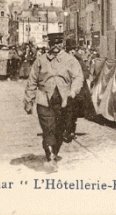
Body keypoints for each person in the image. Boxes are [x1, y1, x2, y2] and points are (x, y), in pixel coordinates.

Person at [23, 36, 84, 172]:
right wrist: (29, 101)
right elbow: (32, 81)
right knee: (48, 130)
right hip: (44, 101)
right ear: (48, 44)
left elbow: (78, 77)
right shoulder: (40, 60)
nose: (56, 46)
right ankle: (50, 158)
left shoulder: (70, 60)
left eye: (59, 43)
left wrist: (73, 92)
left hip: (64, 102)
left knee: (60, 131)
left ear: (62, 44)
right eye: (53, 43)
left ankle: (54, 153)